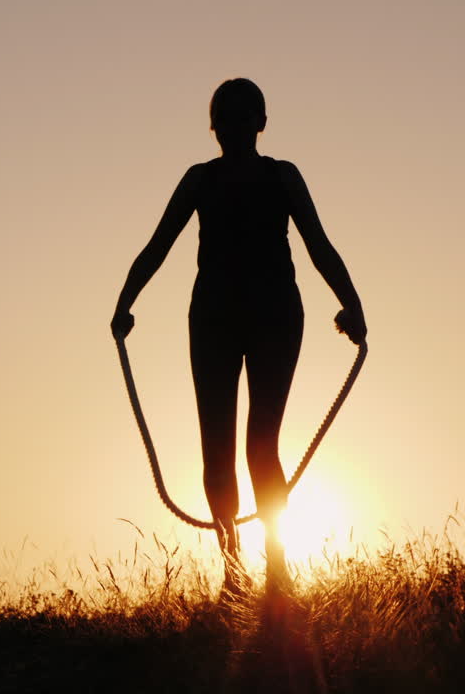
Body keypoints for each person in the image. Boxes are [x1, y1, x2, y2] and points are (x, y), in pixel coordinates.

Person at [111, 78, 366, 595]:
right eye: (227, 117)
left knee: (259, 444)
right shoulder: (199, 181)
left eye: (242, 116)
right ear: (215, 127)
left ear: (261, 123)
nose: (234, 126)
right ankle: (234, 571)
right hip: (215, 320)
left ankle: (274, 567)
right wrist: (124, 302)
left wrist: (353, 303)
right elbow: (157, 246)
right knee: (219, 447)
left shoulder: (282, 177)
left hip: (271, 316)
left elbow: (320, 245)